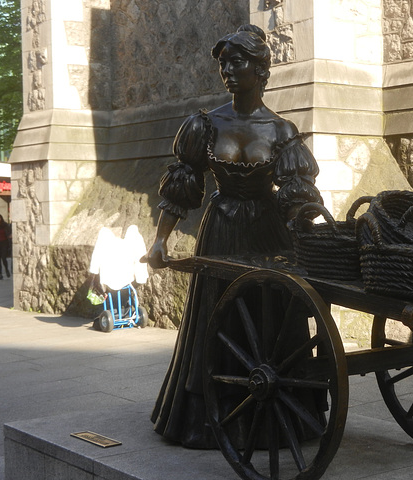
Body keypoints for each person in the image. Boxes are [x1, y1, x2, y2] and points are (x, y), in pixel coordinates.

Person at [143, 24, 323, 449]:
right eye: (223, 62)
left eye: (237, 61)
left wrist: (313, 234)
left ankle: (279, 414)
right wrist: (160, 240)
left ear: (261, 70)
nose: (227, 69)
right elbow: (183, 184)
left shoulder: (282, 131)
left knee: (273, 319)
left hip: (269, 233)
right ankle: (215, 419)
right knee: (219, 318)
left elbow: (297, 195)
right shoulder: (205, 124)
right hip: (222, 229)